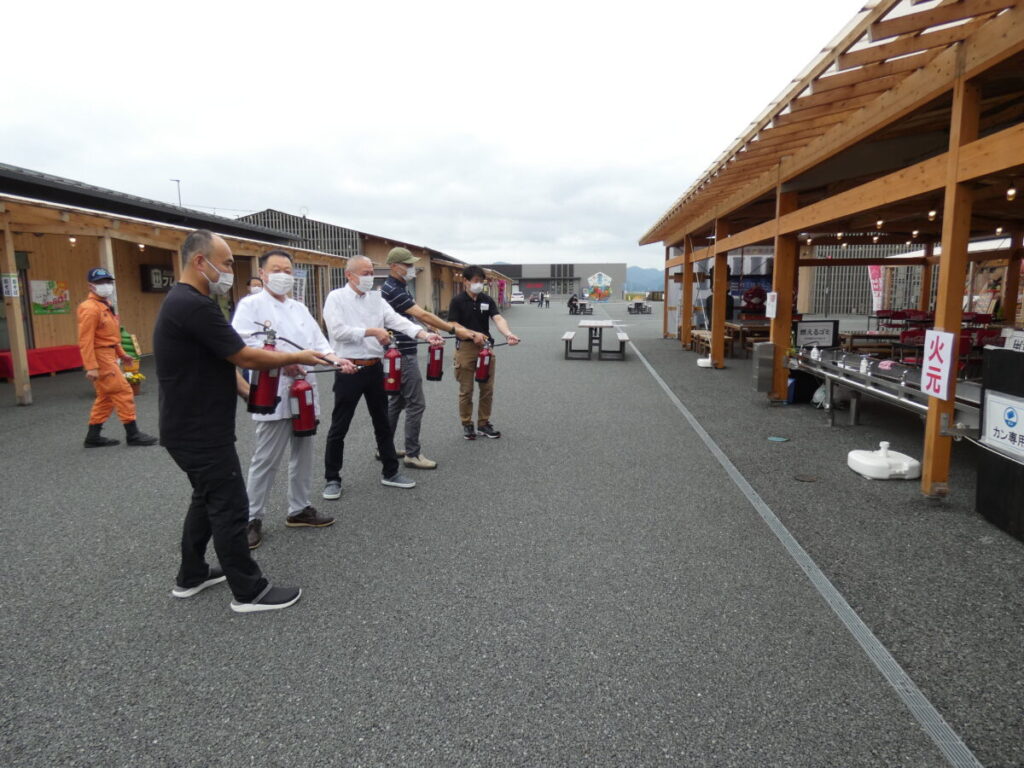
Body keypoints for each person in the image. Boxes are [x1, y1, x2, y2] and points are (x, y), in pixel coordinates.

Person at [153, 229, 329, 613]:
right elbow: (244, 355)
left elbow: (222, 358)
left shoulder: (187, 302)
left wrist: (246, 392)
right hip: (200, 429)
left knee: (205, 499)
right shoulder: (195, 305)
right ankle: (249, 591)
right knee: (229, 506)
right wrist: (297, 359)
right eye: (228, 262)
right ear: (201, 261)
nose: (232, 270)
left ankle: (192, 574)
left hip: (188, 425)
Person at [232, 249, 356, 550]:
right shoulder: (250, 306)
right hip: (271, 388)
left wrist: (338, 360)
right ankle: (251, 517)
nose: (283, 275)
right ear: (262, 273)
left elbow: (318, 343)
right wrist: (282, 360)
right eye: (276, 269)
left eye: (288, 270)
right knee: (265, 458)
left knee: (303, 451)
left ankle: (298, 508)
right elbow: (242, 344)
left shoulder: (299, 309)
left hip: (304, 389)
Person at [321, 256, 444, 499]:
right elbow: (337, 331)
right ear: (349, 275)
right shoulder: (336, 298)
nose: (369, 277)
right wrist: (372, 331)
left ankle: (391, 471)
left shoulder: (376, 299)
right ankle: (332, 478)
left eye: (371, 272)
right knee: (339, 426)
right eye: (365, 273)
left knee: (382, 423)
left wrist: (424, 334)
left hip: (375, 367)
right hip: (349, 369)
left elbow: (398, 321)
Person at [380, 247, 486, 470]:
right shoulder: (392, 289)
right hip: (401, 352)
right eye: (407, 265)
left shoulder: (400, 287)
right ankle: (412, 453)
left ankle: (384, 447)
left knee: (397, 401)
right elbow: (422, 313)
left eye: (411, 264)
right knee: (416, 403)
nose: (411, 268)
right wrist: (454, 330)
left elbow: (412, 316)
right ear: (393, 266)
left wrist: (428, 329)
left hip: (400, 350)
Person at [77, 267, 158, 447]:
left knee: (106, 396)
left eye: (108, 282)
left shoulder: (104, 306)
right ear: (91, 286)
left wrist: (121, 353)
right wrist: (91, 366)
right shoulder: (90, 308)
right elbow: (86, 340)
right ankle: (133, 434)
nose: (105, 285)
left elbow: (110, 336)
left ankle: (93, 436)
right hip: (102, 357)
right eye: (100, 283)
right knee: (123, 391)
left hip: (108, 354)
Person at [447, 265, 520, 440]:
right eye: (476, 281)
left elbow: (498, 318)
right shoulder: (457, 301)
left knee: (487, 389)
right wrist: (472, 335)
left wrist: (509, 334)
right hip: (465, 348)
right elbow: (453, 325)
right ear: (465, 281)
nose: (479, 285)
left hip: (486, 349)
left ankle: (483, 423)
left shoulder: (486, 300)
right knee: (466, 390)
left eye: (481, 281)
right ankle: (467, 424)